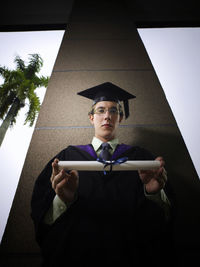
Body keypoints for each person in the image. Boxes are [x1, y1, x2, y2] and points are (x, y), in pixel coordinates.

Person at [31, 82, 173, 267]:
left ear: (120, 118)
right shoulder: (68, 157)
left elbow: (167, 219)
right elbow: (42, 218)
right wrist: (63, 200)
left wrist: (153, 194)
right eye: (101, 110)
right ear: (91, 117)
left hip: (131, 256)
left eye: (114, 111)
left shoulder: (142, 159)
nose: (107, 116)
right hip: (76, 257)